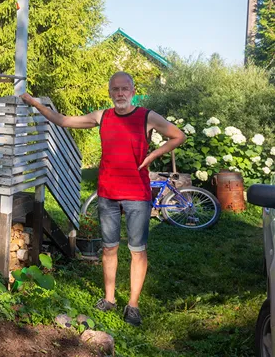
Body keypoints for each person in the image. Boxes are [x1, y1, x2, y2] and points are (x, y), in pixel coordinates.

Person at [20, 72, 185, 326]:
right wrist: (35, 103)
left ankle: (133, 305)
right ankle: (109, 299)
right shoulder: (102, 116)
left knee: (137, 250)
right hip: (107, 194)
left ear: (132, 90)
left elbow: (178, 135)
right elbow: (62, 120)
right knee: (109, 248)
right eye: (115, 89)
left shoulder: (147, 117)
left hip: (137, 196)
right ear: (110, 92)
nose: (120, 93)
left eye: (125, 88)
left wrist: (153, 155)